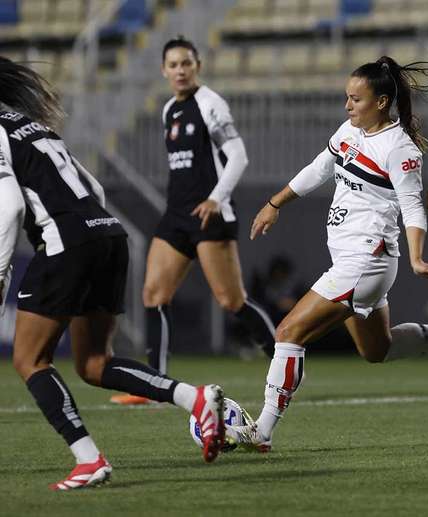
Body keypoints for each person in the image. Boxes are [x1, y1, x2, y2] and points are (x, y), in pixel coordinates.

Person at [226, 56, 428, 452]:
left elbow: (413, 207)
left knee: (287, 333)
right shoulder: (350, 131)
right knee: (377, 350)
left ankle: (262, 431)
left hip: (366, 261)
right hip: (352, 261)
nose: (347, 106)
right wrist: (275, 203)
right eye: (347, 97)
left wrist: (417, 258)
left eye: (356, 99)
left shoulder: (400, 149)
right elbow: (319, 168)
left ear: (382, 102)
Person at [0, 57, 226, 490]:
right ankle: (194, 398)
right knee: (94, 363)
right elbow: (96, 188)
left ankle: (89, 459)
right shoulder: (34, 128)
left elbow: (8, 206)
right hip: (108, 234)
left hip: (67, 242)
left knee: (30, 360)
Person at [111, 36, 274, 405]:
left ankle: (285, 361)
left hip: (209, 214)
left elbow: (238, 156)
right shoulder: (169, 109)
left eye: (186, 63)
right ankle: (154, 386)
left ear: (198, 65)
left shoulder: (210, 104)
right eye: (173, 65)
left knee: (231, 300)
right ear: (164, 70)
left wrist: (216, 198)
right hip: (176, 215)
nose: (180, 70)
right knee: (154, 295)